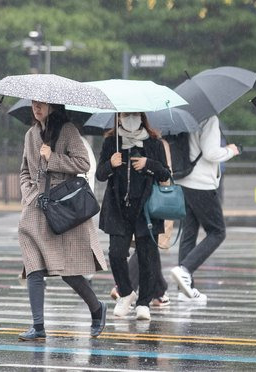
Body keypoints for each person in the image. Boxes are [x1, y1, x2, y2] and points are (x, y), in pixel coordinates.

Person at [18, 101, 107, 340]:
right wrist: (29, 194)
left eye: (41, 104)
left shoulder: (68, 130)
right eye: (33, 104)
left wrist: (53, 157)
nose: (36, 108)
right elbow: (25, 170)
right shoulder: (31, 133)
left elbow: (83, 163)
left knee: (68, 271)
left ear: (53, 105)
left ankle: (97, 308)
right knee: (33, 267)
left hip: (62, 208)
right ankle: (38, 326)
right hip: (35, 209)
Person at [96, 112, 170, 321]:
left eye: (134, 114)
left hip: (146, 209)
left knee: (147, 256)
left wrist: (149, 164)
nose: (130, 118)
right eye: (126, 115)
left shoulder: (153, 142)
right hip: (119, 209)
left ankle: (144, 302)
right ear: (118, 118)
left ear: (141, 116)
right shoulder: (112, 142)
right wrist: (111, 164)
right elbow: (100, 175)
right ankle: (127, 293)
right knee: (116, 254)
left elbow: (166, 174)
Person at [171, 115, 239, 302]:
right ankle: (185, 270)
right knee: (217, 231)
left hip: (185, 180)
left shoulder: (186, 116)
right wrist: (230, 151)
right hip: (202, 183)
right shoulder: (209, 118)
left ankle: (185, 289)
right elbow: (211, 153)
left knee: (189, 232)